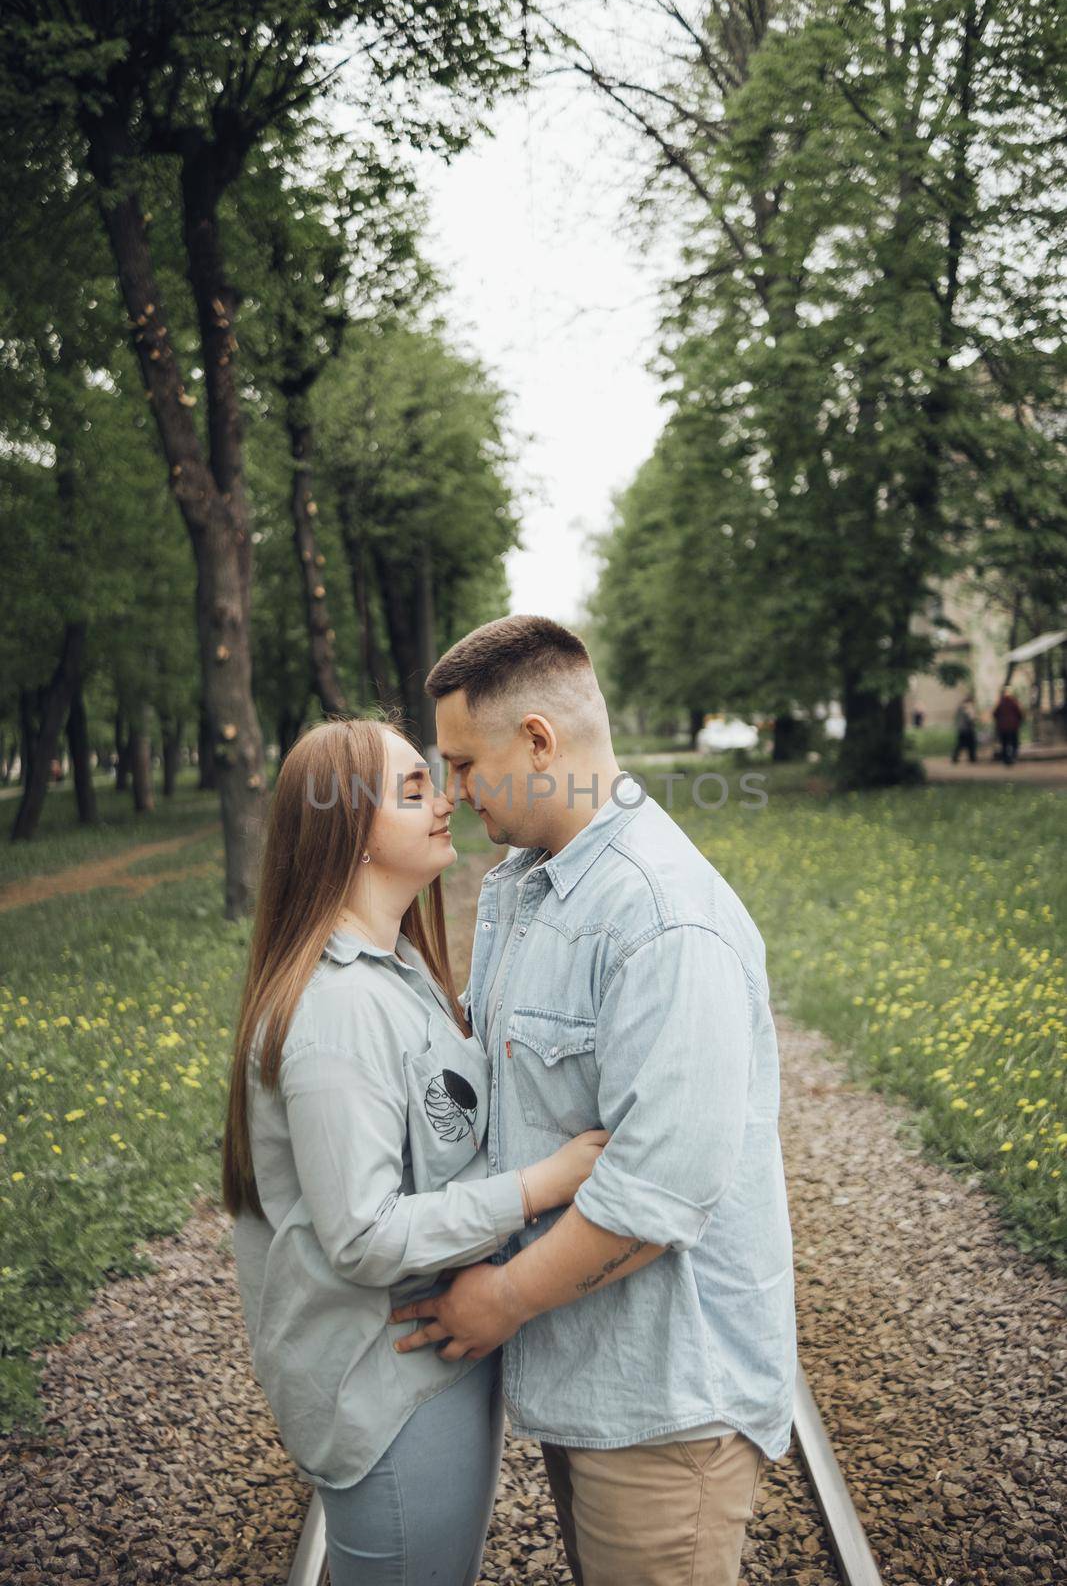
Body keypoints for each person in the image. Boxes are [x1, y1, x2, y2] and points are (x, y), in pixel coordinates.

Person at [390, 614, 797, 1586]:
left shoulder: (661, 915)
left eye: (460, 763)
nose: (451, 791)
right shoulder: (528, 888)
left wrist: (499, 1298)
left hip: (666, 1407)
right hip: (592, 1374)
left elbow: (657, 1190)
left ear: (538, 739)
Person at [221, 715, 609, 1586]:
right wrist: (543, 1184)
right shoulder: (335, 1013)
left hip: (427, 1366)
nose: (446, 802)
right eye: (413, 791)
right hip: (388, 1384)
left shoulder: (398, 970)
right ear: (345, 831)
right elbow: (362, 1235)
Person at [992, 686, 1023, 765]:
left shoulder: (1000, 703)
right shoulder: (1014, 702)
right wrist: (1018, 721)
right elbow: (1020, 713)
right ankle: (1013, 757)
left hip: (1003, 727)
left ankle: (1006, 759)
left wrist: (999, 721)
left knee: (1004, 744)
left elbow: (995, 713)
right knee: (1014, 743)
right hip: (1013, 727)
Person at [951, 694, 978, 764]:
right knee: (971, 744)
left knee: (960, 744)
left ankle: (955, 757)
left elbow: (957, 717)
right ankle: (972, 758)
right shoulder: (968, 706)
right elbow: (970, 718)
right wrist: (974, 720)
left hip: (961, 728)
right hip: (967, 728)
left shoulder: (960, 706)